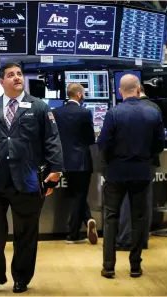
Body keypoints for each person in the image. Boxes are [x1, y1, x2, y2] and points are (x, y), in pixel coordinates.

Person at [0, 63, 64, 294]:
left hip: (28, 180)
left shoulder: (39, 107)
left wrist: (55, 169)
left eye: (19, 74)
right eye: (11, 75)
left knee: (26, 234)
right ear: (2, 82)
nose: (17, 78)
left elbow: (52, 139)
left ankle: (21, 277)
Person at [97, 74, 164, 278]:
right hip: (141, 173)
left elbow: (103, 144)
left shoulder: (113, 113)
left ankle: (109, 266)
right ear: (138, 90)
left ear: (120, 91)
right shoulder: (153, 113)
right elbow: (159, 145)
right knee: (139, 219)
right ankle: (135, 266)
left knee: (110, 218)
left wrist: (111, 162)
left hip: (116, 173)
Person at [116, 84, 162, 251]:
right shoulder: (154, 108)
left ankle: (125, 239)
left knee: (128, 202)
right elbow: (160, 141)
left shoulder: (121, 110)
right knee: (145, 203)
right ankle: (142, 239)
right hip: (148, 163)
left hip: (127, 164)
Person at [52, 83, 97, 245]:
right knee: (80, 194)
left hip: (64, 161)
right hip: (82, 161)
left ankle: (88, 219)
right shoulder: (85, 113)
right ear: (79, 94)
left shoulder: (56, 112)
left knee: (76, 194)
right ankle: (73, 233)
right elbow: (90, 139)